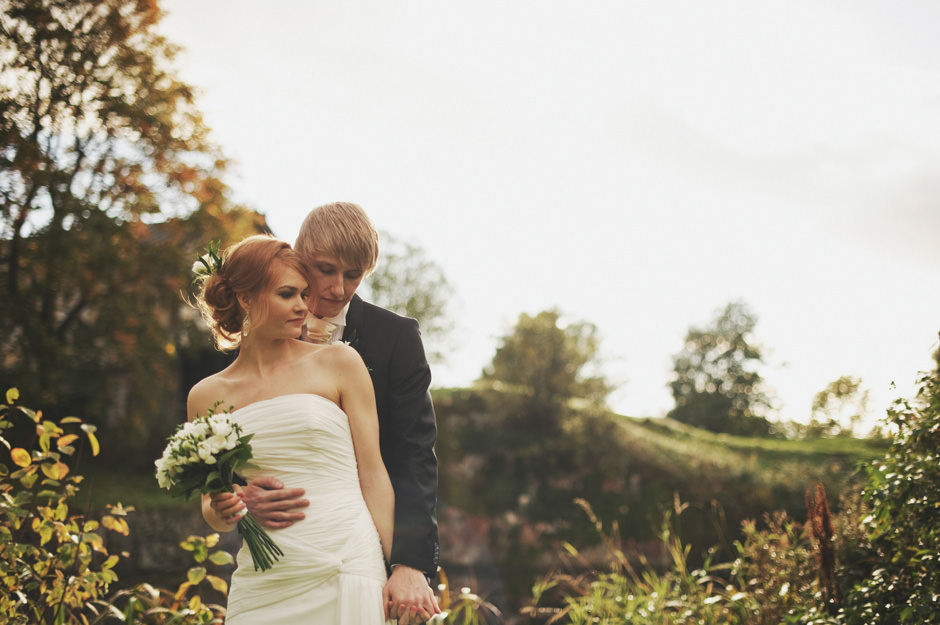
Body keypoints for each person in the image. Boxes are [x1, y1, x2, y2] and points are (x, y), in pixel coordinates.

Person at [241, 202, 442, 624]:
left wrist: (408, 565)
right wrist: (240, 494)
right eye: (325, 269)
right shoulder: (257, 337)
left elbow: (414, 456)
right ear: (299, 257)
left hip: (360, 544)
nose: (337, 288)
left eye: (354, 275)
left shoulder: (395, 339)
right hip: (273, 554)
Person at [188, 234, 395, 623]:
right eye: (287, 294)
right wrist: (233, 501)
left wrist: (399, 568)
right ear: (245, 298)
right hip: (266, 578)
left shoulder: (340, 362)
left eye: (303, 294)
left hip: (346, 557)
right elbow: (210, 507)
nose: (303, 306)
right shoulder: (205, 395)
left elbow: (373, 474)